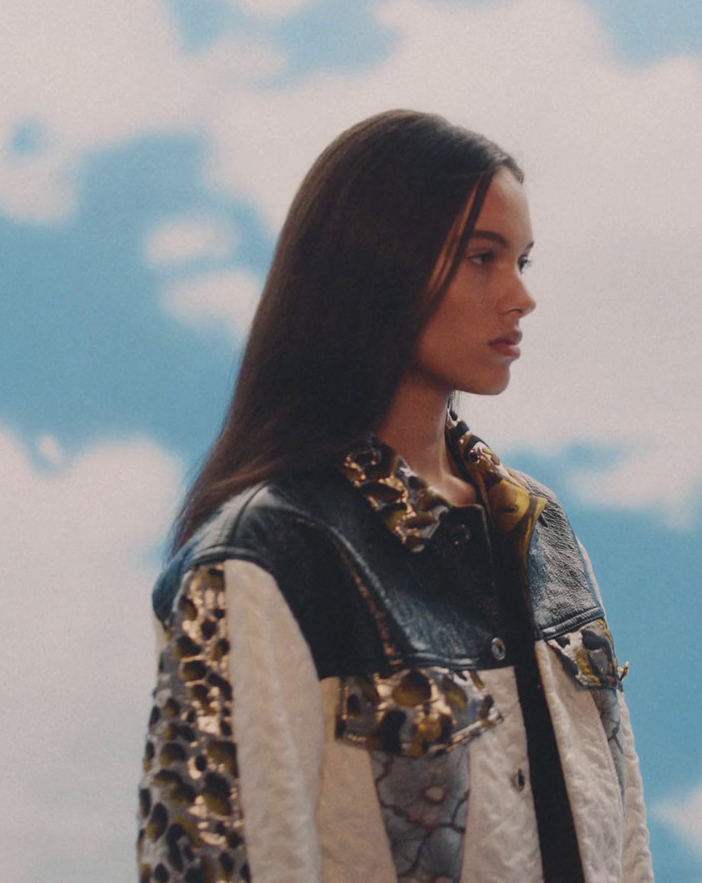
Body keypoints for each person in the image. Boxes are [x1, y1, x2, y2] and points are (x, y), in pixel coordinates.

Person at [138, 109, 653, 882]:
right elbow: (214, 864)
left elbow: (627, 842)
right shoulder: (264, 560)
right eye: (483, 258)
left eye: (523, 260)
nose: (520, 297)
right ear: (373, 267)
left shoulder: (541, 530)